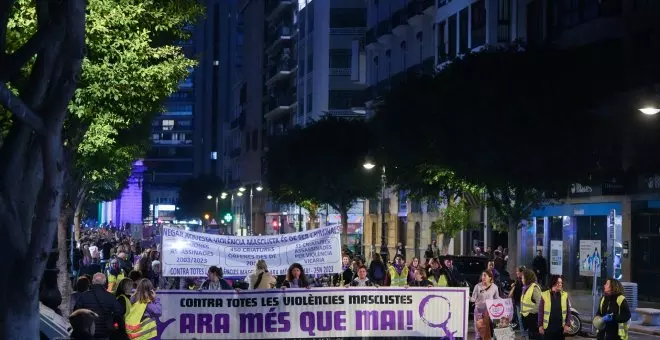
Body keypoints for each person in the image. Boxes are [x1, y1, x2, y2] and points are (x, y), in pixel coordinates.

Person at [73, 273, 125, 339]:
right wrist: (111, 318)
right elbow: (120, 311)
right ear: (105, 282)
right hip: (105, 331)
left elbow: (76, 312)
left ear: (92, 282)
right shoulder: (110, 296)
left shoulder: (84, 296)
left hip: (88, 331)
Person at [538, 275, 572, 340]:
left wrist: (567, 325)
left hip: (560, 329)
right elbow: (541, 311)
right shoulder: (545, 295)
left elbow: (568, 311)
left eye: (561, 283)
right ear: (553, 282)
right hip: (548, 329)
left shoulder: (565, 295)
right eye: (558, 282)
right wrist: (540, 326)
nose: (560, 284)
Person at [470, 270, 499, 340]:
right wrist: (468, 298)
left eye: (485, 275)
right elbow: (473, 298)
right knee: (478, 332)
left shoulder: (495, 287)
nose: (483, 277)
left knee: (487, 332)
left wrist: (505, 301)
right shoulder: (477, 286)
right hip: (478, 312)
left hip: (489, 312)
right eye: (482, 275)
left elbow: (497, 299)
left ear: (490, 277)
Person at [520, 269, 542, 339]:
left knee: (535, 337)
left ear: (527, 277)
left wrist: (530, 312)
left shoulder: (534, 288)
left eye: (523, 278)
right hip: (528, 319)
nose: (522, 279)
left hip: (534, 318)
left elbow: (539, 304)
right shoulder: (526, 287)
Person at [508, 266, 525, 330]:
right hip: (517, 301)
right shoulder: (517, 280)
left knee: (521, 318)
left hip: (521, 302)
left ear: (522, 272)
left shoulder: (524, 280)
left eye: (518, 271)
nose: (516, 273)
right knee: (519, 318)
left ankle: (524, 334)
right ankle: (523, 333)